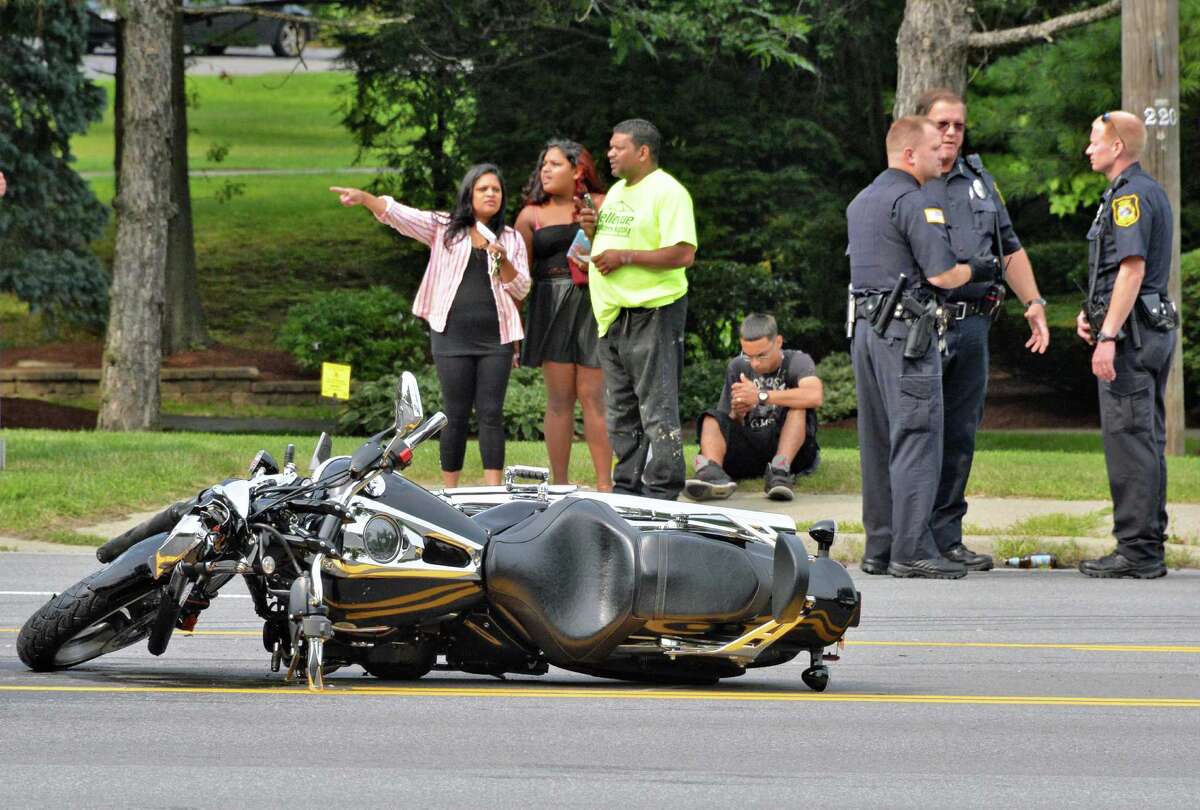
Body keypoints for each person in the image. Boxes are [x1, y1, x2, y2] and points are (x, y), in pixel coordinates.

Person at [847, 116, 997, 580]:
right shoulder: (914, 201)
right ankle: (911, 550)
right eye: (934, 147)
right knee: (916, 436)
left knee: (878, 441)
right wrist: (978, 269)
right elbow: (941, 275)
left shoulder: (862, 199)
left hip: (867, 331)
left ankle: (881, 547)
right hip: (906, 335)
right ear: (909, 154)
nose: (943, 153)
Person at [916, 88, 1050, 573]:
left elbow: (1008, 248)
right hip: (923, 326)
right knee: (918, 433)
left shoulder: (979, 181)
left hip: (972, 325)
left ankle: (948, 536)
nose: (951, 133)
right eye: (942, 124)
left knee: (959, 435)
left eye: (958, 125)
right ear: (923, 127)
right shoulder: (909, 179)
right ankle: (912, 537)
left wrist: (1032, 302)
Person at [330, 165, 531, 488]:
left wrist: (503, 259)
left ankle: (493, 489)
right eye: (483, 189)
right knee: (455, 412)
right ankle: (450, 490)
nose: (491, 194)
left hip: (497, 337)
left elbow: (522, 289)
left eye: (496, 189)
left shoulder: (511, 238)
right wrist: (366, 198)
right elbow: (401, 216)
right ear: (469, 194)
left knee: (491, 413)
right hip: (450, 335)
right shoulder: (445, 228)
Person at [1076, 111, 1177, 579]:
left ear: (1117, 147)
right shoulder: (1140, 190)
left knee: (1130, 441)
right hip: (1144, 328)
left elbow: (1131, 269)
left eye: (1095, 140)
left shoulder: (1130, 196)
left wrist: (1109, 335)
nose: (1088, 148)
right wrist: (1093, 315)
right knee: (1144, 438)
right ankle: (1146, 542)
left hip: (1133, 337)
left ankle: (1137, 550)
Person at [578, 118, 697, 500]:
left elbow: (684, 253)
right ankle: (627, 490)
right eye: (610, 147)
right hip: (613, 316)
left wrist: (624, 256)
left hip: (654, 313)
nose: (609, 153)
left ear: (642, 152)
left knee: (657, 408)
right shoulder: (615, 192)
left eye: (618, 147)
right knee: (621, 412)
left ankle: (662, 493)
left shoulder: (668, 192)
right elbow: (613, 246)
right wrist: (595, 235)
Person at [515, 140, 613, 491]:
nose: (545, 169)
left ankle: (606, 485)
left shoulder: (600, 205)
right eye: (544, 164)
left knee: (593, 396)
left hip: (590, 303)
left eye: (555, 164)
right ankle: (559, 485)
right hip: (549, 303)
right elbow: (520, 276)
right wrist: (515, 327)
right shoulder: (530, 215)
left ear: (578, 170)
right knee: (558, 400)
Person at [685, 313, 822, 502]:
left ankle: (780, 471)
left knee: (798, 406)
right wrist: (739, 413)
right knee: (711, 418)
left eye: (761, 355)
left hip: (791, 450)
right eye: (748, 356)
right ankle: (712, 474)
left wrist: (760, 396)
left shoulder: (797, 361)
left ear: (778, 342)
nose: (755, 363)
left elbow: (814, 396)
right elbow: (727, 422)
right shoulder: (737, 366)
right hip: (750, 448)